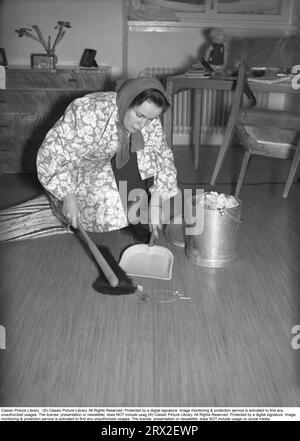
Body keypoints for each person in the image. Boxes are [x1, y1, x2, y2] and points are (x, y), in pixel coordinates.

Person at [36, 77, 178, 240]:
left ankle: (135, 218)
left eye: (150, 119)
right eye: (139, 115)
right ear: (127, 101)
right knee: (99, 205)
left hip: (109, 160)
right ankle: (71, 207)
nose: (142, 124)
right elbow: (54, 151)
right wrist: (68, 195)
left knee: (141, 160)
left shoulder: (148, 118)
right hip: (77, 168)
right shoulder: (89, 110)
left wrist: (156, 201)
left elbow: (160, 156)